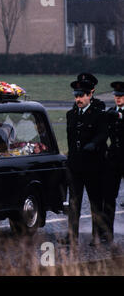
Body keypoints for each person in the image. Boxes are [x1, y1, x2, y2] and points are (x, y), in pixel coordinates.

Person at [59, 80, 108, 246]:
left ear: (89, 95)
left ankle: (96, 236)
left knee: (95, 203)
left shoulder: (98, 114)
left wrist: (94, 144)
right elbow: (71, 140)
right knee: (74, 203)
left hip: (93, 166)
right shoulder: (71, 115)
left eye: (81, 96)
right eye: (76, 96)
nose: (78, 99)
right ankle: (72, 236)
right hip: (75, 166)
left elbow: (103, 134)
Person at [102, 81, 124, 243]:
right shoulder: (111, 113)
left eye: (121, 96)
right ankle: (107, 232)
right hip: (114, 159)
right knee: (109, 196)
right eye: (116, 96)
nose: (118, 98)